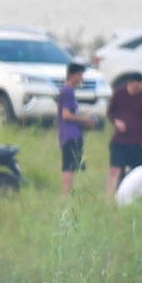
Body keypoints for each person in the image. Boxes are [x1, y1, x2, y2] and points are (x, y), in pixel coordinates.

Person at [106, 74, 142, 196]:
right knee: (115, 170)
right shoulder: (119, 94)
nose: (140, 89)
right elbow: (110, 113)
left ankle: (138, 195)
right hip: (119, 140)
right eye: (138, 86)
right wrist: (116, 121)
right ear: (131, 83)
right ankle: (110, 198)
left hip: (137, 142)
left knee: (137, 171)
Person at [57, 63, 91, 197]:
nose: (82, 78)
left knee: (72, 166)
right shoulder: (68, 91)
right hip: (70, 134)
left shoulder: (69, 91)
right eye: (80, 75)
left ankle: (68, 194)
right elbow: (66, 114)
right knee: (69, 166)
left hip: (73, 134)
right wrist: (85, 119)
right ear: (73, 75)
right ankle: (66, 195)